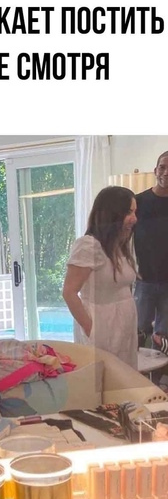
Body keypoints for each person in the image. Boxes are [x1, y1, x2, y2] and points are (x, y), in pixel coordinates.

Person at [62, 186, 138, 369]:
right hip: (102, 324)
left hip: (124, 323)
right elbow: (69, 293)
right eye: (129, 212)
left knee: (123, 377)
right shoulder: (89, 245)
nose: (135, 219)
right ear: (112, 213)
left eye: (135, 212)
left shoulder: (120, 245)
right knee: (101, 377)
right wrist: (91, 328)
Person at [133, 151, 168, 354]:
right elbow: (123, 237)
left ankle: (160, 374)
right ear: (156, 170)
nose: (166, 172)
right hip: (144, 280)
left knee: (164, 338)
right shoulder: (138, 202)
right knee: (137, 332)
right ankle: (136, 372)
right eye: (162, 167)